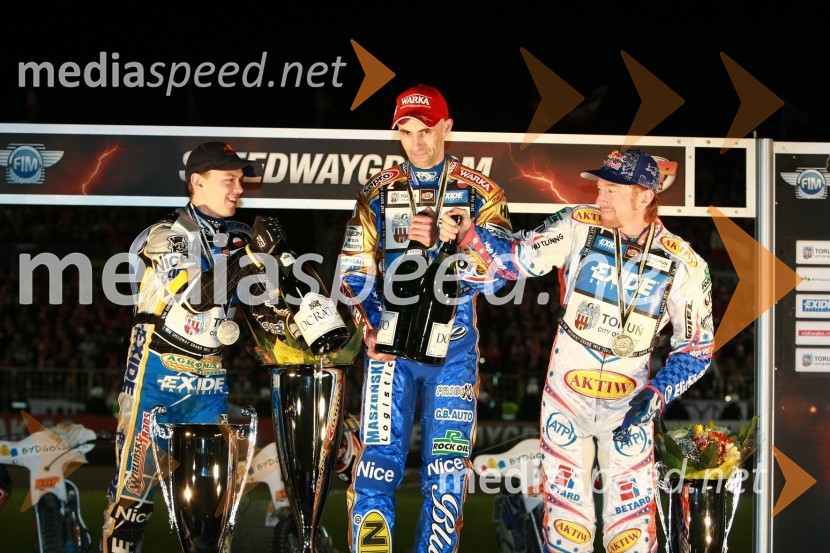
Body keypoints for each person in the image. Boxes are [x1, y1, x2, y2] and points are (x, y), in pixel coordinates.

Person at [438, 148, 714, 552]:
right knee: (569, 531)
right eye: (599, 188)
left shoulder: (685, 262)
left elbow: (697, 349)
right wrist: (469, 234)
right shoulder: (576, 224)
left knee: (631, 536)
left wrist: (656, 395)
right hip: (565, 401)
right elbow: (516, 260)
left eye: (611, 191)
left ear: (644, 197)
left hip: (630, 407)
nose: (599, 198)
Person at [339, 84, 512, 552]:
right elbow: (352, 272)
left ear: (447, 128)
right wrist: (372, 327)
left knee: (447, 473)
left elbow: (503, 276)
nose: (416, 141)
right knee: (376, 466)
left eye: (426, 129)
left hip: (453, 350)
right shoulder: (377, 192)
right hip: (389, 350)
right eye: (406, 131)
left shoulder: (484, 193)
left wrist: (462, 238)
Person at [101, 141, 284, 553]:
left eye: (240, 180)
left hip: (210, 384)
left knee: (211, 511)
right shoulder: (166, 235)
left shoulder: (238, 236)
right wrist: (254, 256)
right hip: (156, 382)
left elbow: (259, 305)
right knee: (134, 503)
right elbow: (199, 296)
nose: (238, 189)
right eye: (229, 180)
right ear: (197, 182)